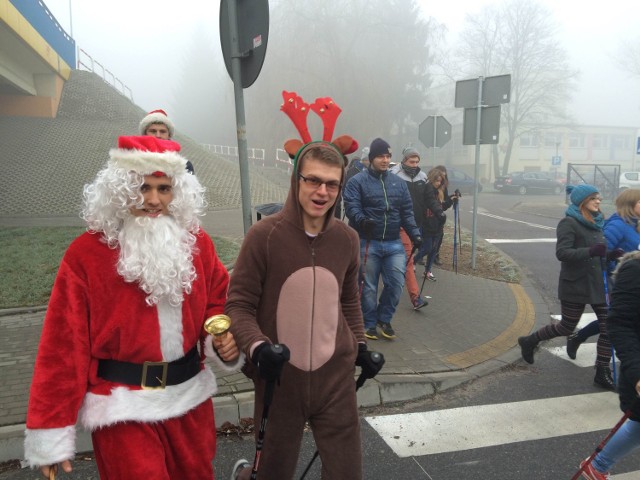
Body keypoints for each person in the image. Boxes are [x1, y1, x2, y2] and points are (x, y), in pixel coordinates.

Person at [24, 136, 242, 479]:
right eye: (142, 187)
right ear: (120, 190)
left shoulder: (197, 243)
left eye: (164, 188)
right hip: (122, 407)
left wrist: (220, 338)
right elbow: (63, 347)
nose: (153, 200)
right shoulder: (86, 255)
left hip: (190, 401)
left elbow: (218, 298)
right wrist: (51, 430)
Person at [225, 92, 383, 480]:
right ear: (297, 178)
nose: (322, 192)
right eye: (313, 180)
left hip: (335, 379)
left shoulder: (346, 239)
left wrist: (361, 346)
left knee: (348, 475)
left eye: (331, 184)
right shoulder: (264, 236)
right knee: (273, 474)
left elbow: (349, 300)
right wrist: (258, 348)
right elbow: (239, 305)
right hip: (281, 381)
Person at [518, 184, 616, 390]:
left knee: (609, 326)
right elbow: (562, 253)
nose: (598, 201)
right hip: (576, 284)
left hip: (597, 283)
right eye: (593, 199)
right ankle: (529, 341)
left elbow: (597, 253)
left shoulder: (597, 222)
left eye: (598, 198)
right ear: (582, 202)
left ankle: (602, 370)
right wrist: (590, 251)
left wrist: (609, 255)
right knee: (566, 327)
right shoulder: (568, 223)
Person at [343, 137, 422, 340]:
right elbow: (351, 207)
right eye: (381, 156)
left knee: (396, 284)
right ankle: (369, 323)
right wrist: (362, 220)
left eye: (388, 156)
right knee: (367, 286)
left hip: (394, 242)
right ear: (371, 158)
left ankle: (384, 319)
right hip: (367, 241)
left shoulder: (398, 183)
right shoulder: (356, 182)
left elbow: (406, 211)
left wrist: (415, 234)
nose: (385, 160)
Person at [578, 251, 640, 479]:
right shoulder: (635, 271)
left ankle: (597, 466)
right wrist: (636, 373)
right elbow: (619, 325)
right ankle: (598, 465)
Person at [566, 188, 639, 358]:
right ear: (630, 205)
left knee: (620, 318)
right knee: (617, 318)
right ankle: (579, 337)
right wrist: (614, 263)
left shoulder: (636, 224)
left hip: (635, 278)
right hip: (622, 281)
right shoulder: (618, 225)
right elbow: (603, 252)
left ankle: (578, 337)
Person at [390, 146, 429, 309]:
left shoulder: (422, 177)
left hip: (410, 226)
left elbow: (428, 198)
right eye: (411, 161)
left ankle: (415, 298)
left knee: (407, 261)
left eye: (417, 162)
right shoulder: (392, 174)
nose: (414, 165)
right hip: (391, 226)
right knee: (401, 261)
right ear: (404, 160)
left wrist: (439, 211)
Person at [418, 167, 457, 282]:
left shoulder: (440, 191)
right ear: (432, 179)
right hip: (427, 223)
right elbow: (429, 205)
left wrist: (451, 199)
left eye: (440, 181)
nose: (438, 183)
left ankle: (428, 271)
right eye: (437, 180)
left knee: (434, 250)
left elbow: (442, 206)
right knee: (427, 248)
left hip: (438, 224)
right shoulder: (427, 189)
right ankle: (411, 263)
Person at [140, 108, 195, 174]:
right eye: (153, 131)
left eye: (162, 131)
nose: (158, 135)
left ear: (169, 135)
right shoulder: (132, 162)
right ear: (145, 134)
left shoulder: (184, 166)